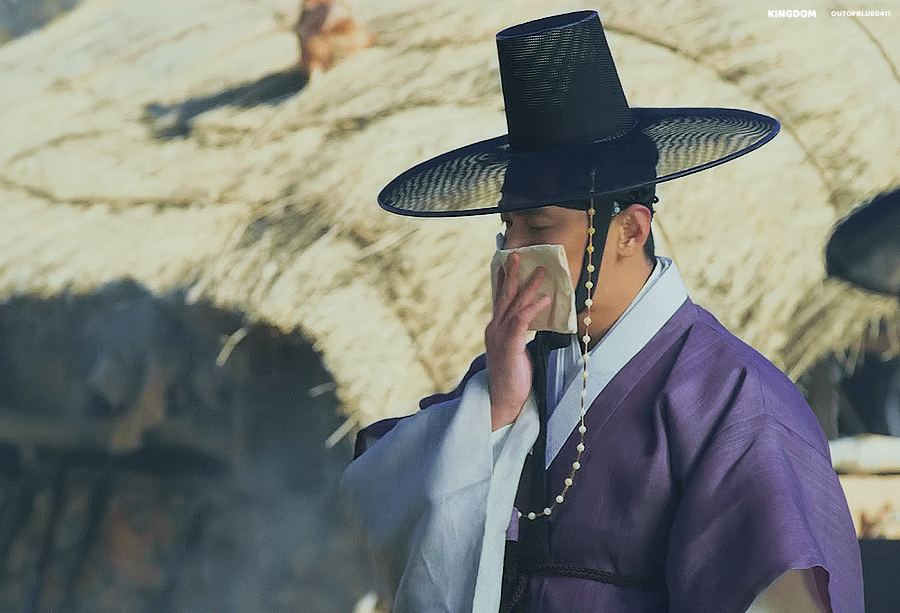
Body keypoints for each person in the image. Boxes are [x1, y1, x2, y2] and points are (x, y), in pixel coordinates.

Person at [340, 11, 863, 613]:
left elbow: (774, 594)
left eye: (538, 228)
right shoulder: (512, 377)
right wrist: (496, 411)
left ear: (630, 232)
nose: (512, 251)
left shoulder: (734, 398)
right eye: (507, 229)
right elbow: (379, 500)